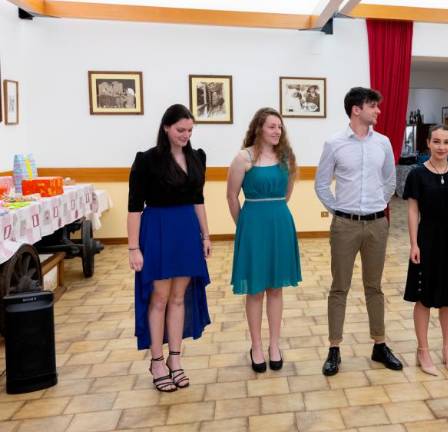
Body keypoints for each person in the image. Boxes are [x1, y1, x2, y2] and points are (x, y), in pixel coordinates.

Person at [315, 87, 402, 376]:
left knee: (374, 287)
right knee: (339, 286)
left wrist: (377, 206)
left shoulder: (383, 143)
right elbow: (321, 184)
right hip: (345, 226)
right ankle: (334, 348)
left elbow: (390, 181)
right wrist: (340, 210)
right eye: (372, 106)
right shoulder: (334, 143)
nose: (378, 111)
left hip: (377, 224)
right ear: (356, 109)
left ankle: (380, 344)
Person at [128, 104, 212, 392]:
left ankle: (175, 360)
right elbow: (134, 207)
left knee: (178, 298)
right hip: (158, 231)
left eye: (189, 130)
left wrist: (206, 236)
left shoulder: (197, 157)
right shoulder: (147, 160)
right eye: (180, 130)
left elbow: (198, 199)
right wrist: (133, 248)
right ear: (166, 127)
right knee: (160, 298)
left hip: (186, 231)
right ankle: (157, 361)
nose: (185, 135)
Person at [227, 107, 302, 373]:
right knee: (255, 289)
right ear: (258, 128)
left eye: (279, 127)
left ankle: (274, 345)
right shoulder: (243, 158)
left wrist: (274, 214)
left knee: (276, 288)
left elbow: (287, 193)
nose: (277, 131)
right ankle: (256, 346)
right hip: (253, 226)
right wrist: (244, 226)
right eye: (272, 126)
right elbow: (231, 196)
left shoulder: (286, 158)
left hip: (280, 224)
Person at [403, 125, 448, 376]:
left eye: (446, 142)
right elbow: (413, 211)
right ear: (428, 143)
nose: (441, 147)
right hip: (427, 239)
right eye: (436, 141)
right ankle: (423, 350)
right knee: (423, 296)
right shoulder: (417, 175)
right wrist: (414, 243)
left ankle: (447, 349)